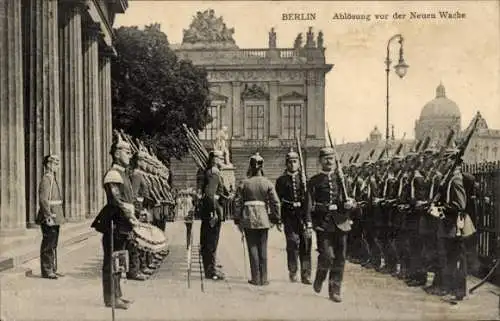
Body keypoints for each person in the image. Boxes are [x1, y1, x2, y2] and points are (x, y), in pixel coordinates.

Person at [91, 134, 140, 310]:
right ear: (117, 153)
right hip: (116, 223)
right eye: (127, 151)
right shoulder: (113, 174)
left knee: (119, 260)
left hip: (124, 223)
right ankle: (111, 298)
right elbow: (116, 200)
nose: (129, 155)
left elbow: (129, 199)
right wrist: (130, 216)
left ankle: (117, 295)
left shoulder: (123, 173)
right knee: (112, 260)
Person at [308, 147, 355, 302]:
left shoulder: (342, 179)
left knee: (340, 258)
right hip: (323, 224)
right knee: (327, 256)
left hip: (341, 223)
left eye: (331, 158)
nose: (329, 161)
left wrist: (350, 204)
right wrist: (309, 221)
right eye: (325, 158)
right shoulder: (314, 181)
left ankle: (335, 290)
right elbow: (309, 204)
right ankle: (320, 276)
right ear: (320, 160)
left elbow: (351, 199)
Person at [233, 152, 281, 286]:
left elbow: (237, 202)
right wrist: (275, 218)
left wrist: (237, 219)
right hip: (264, 218)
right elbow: (276, 202)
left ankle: (256, 278)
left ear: (250, 166)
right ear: (262, 167)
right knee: (263, 248)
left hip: (248, 217)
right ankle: (264, 278)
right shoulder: (267, 182)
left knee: (252, 247)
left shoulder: (244, 183)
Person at [275, 149, 312, 284]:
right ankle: (293, 271)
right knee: (292, 244)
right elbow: (277, 201)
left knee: (306, 245)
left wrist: (308, 220)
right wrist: (278, 219)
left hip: (302, 215)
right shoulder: (281, 181)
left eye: (295, 161)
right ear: (286, 164)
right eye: (290, 162)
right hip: (289, 216)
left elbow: (308, 201)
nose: (292, 164)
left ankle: (306, 274)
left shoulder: (304, 180)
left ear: (298, 163)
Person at [36, 155, 65, 279]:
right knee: (48, 244)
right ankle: (47, 270)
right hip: (50, 216)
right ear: (48, 164)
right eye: (54, 162)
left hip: (55, 216)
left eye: (58, 162)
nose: (57, 165)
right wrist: (48, 216)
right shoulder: (46, 179)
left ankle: (52, 268)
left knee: (53, 244)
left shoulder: (52, 178)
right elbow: (43, 200)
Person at [199, 150, 227, 280]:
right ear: (215, 159)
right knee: (211, 242)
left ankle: (211, 267)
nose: (223, 160)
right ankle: (211, 271)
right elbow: (210, 194)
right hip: (213, 212)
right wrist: (213, 212)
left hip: (211, 210)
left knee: (209, 241)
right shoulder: (214, 173)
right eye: (220, 158)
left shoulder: (211, 172)